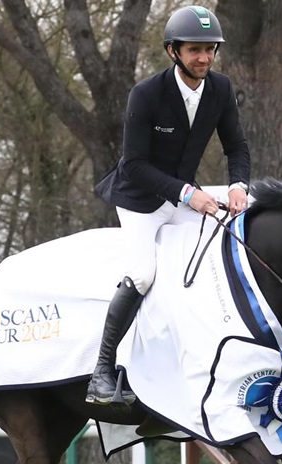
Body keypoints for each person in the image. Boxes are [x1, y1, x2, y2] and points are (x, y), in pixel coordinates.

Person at [87, 5, 251, 405]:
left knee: (213, 261)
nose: (205, 58)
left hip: (182, 194)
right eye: (195, 49)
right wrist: (188, 194)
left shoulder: (221, 88)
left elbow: (237, 146)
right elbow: (135, 165)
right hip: (140, 198)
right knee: (144, 274)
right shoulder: (145, 94)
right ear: (173, 51)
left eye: (211, 49)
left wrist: (238, 185)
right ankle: (102, 372)